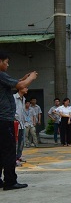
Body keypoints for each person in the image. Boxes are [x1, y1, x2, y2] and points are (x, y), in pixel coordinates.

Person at [0, 50, 37, 190]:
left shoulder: (2, 77)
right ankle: (10, 181)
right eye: (6, 62)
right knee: (9, 151)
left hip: (2, 119)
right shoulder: (1, 74)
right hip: (4, 119)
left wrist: (23, 78)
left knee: (1, 151)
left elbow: (17, 83)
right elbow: (21, 86)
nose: (7, 65)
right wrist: (31, 77)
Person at [14, 87, 28, 166]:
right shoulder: (14, 98)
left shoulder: (23, 99)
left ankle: (18, 156)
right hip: (15, 123)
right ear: (20, 89)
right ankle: (14, 159)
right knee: (15, 142)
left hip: (22, 124)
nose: (27, 89)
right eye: (25, 87)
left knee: (21, 142)